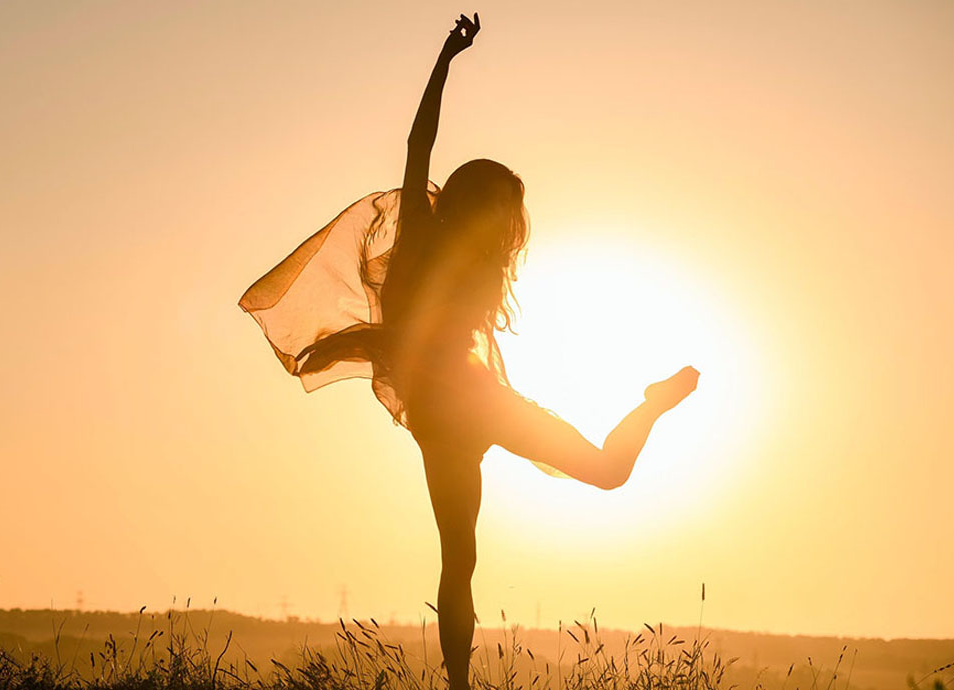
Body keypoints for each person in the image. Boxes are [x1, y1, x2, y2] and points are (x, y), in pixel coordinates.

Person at [239, 13, 699, 690]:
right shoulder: (423, 234)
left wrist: (449, 58)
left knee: (589, 483)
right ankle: (458, 683)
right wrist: (446, 59)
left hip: (469, 408)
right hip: (452, 416)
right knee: (468, 556)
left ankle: (653, 405)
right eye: (501, 208)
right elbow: (417, 143)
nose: (507, 226)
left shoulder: (475, 262)